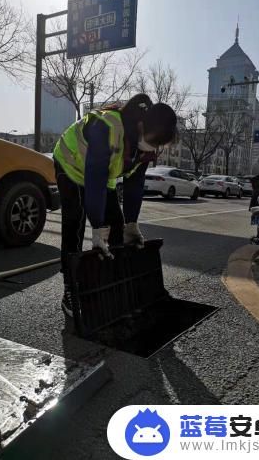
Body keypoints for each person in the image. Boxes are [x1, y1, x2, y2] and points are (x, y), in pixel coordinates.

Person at [53, 94, 177, 317]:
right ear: (141, 125)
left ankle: (114, 283)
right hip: (71, 163)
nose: (153, 147)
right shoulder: (107, 127)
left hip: (100, 174)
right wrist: (98, 228)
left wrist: (131, 224)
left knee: (117, 224)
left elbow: (134, 185)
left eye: (158, 145)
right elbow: (95, 182)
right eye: (153, 141)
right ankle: (70, 289)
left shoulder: (147, 146)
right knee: (75, 220)